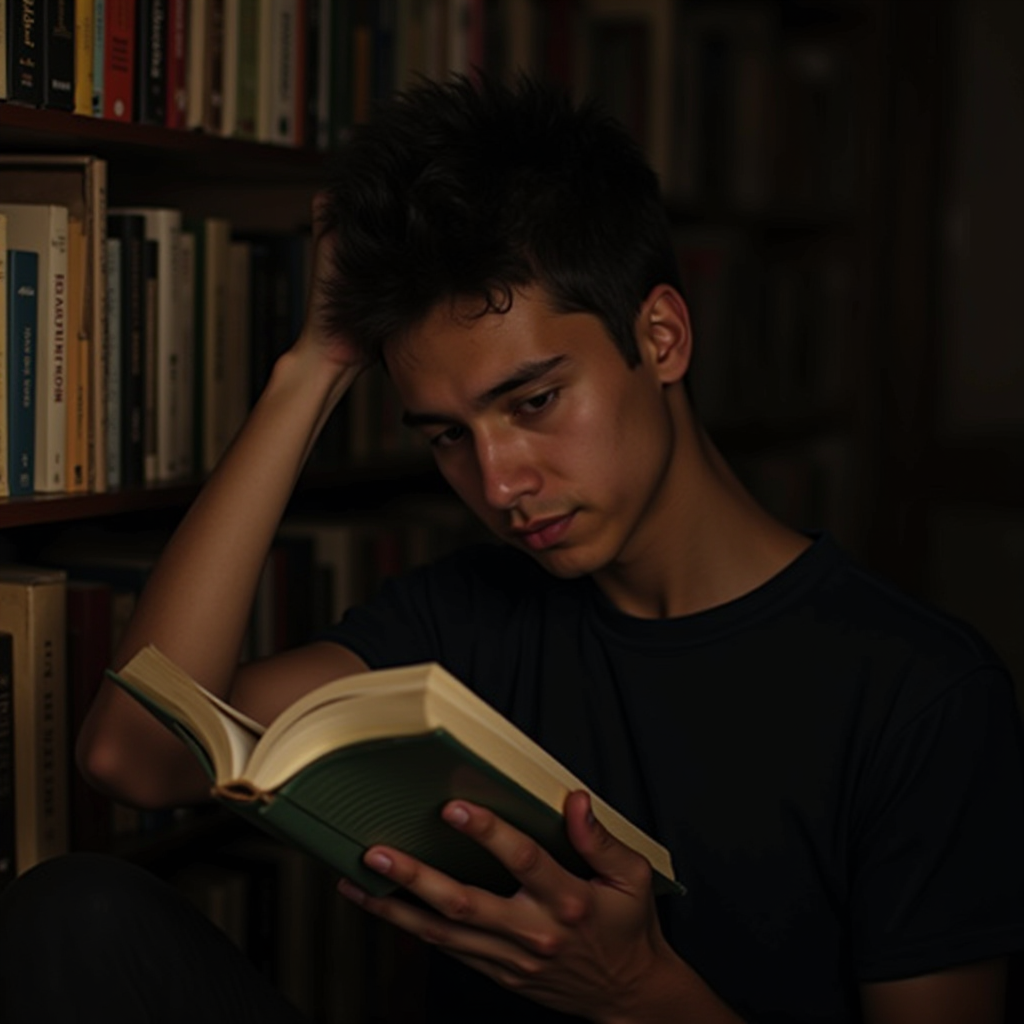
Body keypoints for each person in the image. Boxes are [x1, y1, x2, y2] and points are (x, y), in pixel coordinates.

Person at [2, 74, 1022, 1024]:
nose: (497, 484)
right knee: (79, 913)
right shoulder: (464, 617)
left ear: (661, 337)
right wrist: (313, 366)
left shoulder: (919, 692)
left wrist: (638, 994)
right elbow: (131, 754)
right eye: (447, 434)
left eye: (533, 401)